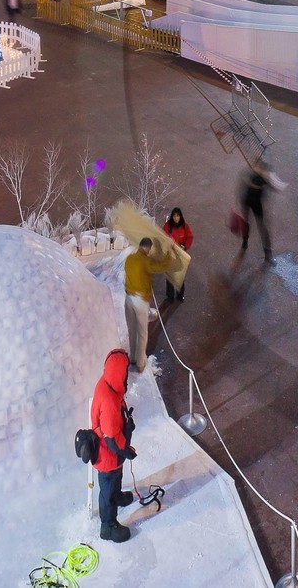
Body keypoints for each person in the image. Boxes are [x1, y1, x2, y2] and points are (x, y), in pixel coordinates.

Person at [90, 348, 137, 543]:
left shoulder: (109, 385)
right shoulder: (109, 401)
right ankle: (108, 526)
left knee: (116, 479)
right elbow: (111, 438)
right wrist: (126, 451)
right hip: (108, 455)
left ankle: (117, 496)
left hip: (113, 457)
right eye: (125, 373)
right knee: (107, 490)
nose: (127, 378)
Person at [123, 239, 163, 371]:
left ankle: (132, 357)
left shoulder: (129, 259)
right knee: (142, 332)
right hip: (140, 301)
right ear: (148, 248)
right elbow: (161, 266)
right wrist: (168, 252)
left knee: (132, 329)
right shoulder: (146, 261)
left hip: (128, 298)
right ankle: (140, 363)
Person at [237, 167, 274, 264]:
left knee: (247, 223)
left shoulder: (250, 173)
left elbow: (242, 188)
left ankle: (245, 242)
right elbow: (272, 186)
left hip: (247, 201)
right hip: (255, 203)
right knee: (262, 227)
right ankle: (267, 252)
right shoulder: (263, 177)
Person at [162, 208, 193, 302]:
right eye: (174, 216)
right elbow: (163, 237)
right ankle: (170, 296)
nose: (176, 218)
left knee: (180, 275)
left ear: (180, 216)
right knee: (170, 276)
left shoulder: (185, 226)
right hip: (170, 255)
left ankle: (180, 295)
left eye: (178, 216)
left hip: (180, 255)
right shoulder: (167, 226)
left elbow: (190, 237)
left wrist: (184, 246)